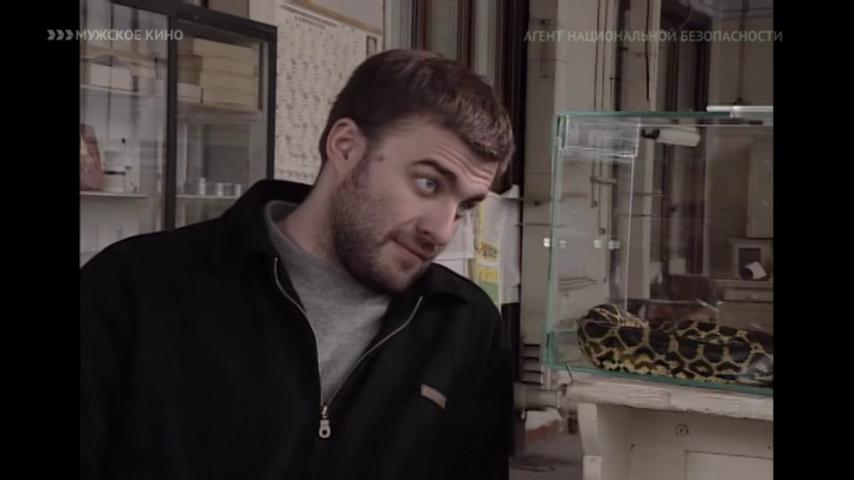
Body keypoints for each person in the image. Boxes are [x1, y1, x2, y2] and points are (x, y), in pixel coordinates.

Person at [80, 49, 515, 479]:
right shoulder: (132, 289)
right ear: (345, 147)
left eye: (465, 206)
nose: (443, 231)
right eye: (428, 183)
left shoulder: (467, 327)